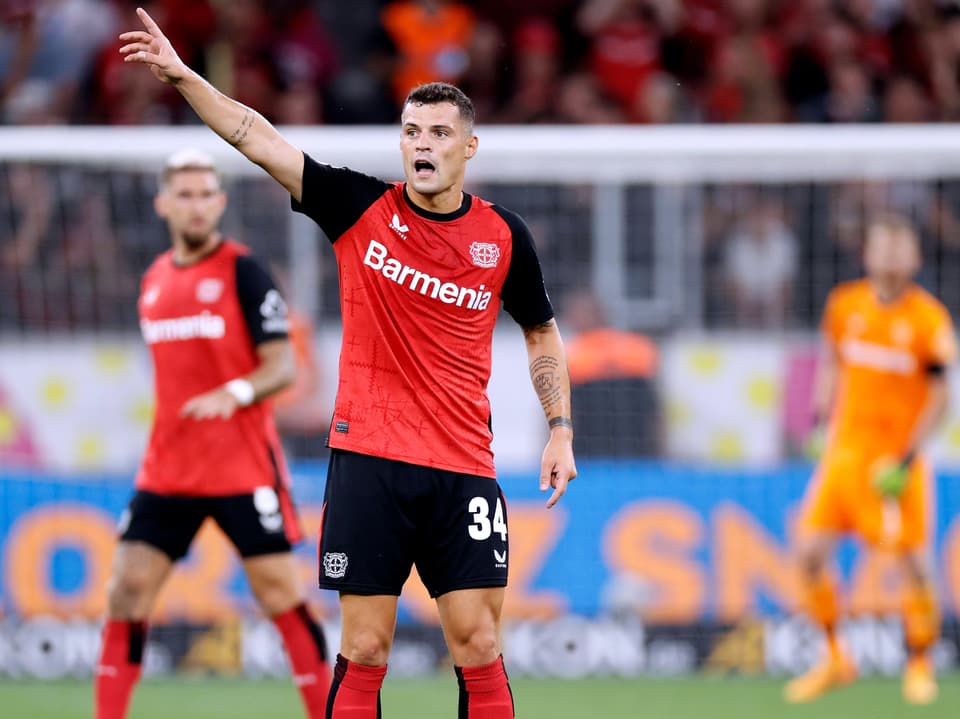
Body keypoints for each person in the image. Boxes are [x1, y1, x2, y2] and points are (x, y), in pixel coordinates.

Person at [119, 8, 577, 719]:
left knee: (480, 640)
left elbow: (541, 332)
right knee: (365, 647)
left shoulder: (502, 236)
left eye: (439, 134)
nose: (422, 145)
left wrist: (560, 429)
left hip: (463, 464)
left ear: (469, 147)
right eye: (412, 132)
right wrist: (183, 76)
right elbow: (254, 135)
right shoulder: (358, 207)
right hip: (370, 458)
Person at [94, 149, 331, 719]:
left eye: (207, 194)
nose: (197, 206)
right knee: (126, 590)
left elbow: (283, 366)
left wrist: (238, 392)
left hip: (240, 466)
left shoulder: (244, 271)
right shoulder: (152, 280)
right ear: (164, 204)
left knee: (280, 595)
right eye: (186, 195)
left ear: (220, 202)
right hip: (169, 468)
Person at [785, 213, 955, 706]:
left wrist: (905, 458)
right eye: (882, 247)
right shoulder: (845, 306)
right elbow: (832, 362)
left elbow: (941, 397)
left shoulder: (928, 319)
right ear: (868, 254)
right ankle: (836, 657)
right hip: (843, 457)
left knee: (916, 566)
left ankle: (920, 664)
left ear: (916, 257)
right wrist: (820, 422)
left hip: (894, 465)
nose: (890, 256)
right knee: (808, 556)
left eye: (900, 248)